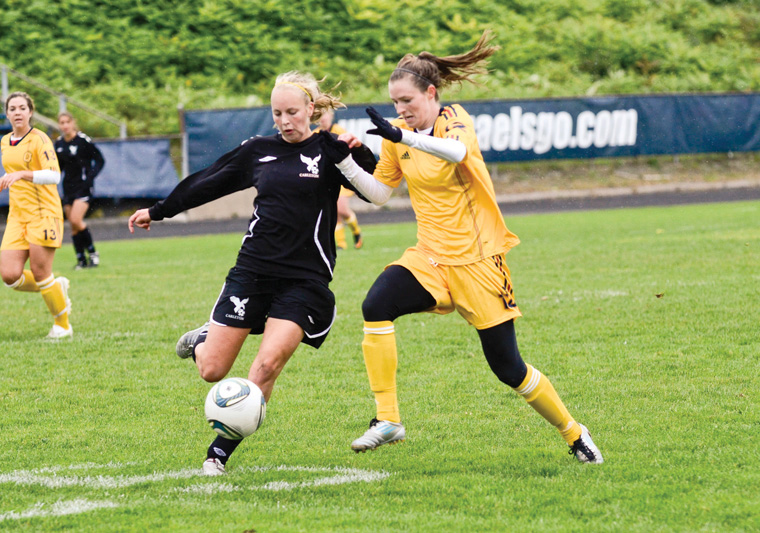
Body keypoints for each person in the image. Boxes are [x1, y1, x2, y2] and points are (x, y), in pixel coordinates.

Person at [326, 31, 603, 463]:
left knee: (508, 368)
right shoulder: (400, 133)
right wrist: (342, 161)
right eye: (395, 104)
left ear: (431, 93)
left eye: (407, 102)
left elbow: (455, 152)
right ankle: (388, 418)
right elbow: (379, 194)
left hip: (479, 263)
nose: (400, 111)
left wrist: (402, 138)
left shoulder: (454, 120)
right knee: (376, 304)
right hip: (431, 258)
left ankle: (574, 432)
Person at [128, 71, 378, 476]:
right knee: (212, 370)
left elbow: (374, 188)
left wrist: (359, 152)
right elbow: (209, 181)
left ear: (311, 110)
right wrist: (159, 211)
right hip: (253, 272)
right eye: (277, 113)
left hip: (304, 281)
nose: (285, 120)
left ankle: (218, 454)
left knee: (266, 366)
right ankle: (203, 341)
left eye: (293, 112)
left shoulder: (329, 150)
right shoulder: (258, 150)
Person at [0, 92, 72, 339]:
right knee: (9, 275)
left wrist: (22, 174)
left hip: (43, 213)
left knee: (41, 272)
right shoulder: (5, 141)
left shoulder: (40, 139)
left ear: (30, 112)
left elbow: (54, 176)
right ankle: (56, 287)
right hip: (17, 217)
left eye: (22, 107)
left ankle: (62, 325)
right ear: (7, 113)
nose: (17, 112)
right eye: (12, 108)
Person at [55, 111, 105, 269]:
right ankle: (81, 260)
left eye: (67, 122)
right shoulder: (59, 144)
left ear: (72, 123)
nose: (64, 126)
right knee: (73, 225)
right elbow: (58, 167)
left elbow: (99, 159)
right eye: (61, 123)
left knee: (76, 220)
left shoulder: (83, 140)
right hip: (68, 188)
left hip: (83, 187)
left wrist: (90, 177)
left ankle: (92, 253)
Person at [317, 110, 363, 250]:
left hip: (342, 176)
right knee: (334, 211)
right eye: (319, 116)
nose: (322, 119)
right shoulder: (316, 135)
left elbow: (349, 151)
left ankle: (356, 231)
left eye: (324, 115)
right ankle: (341, 243)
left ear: (330, 116)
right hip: (328, 178)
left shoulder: (339, 131)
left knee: (342, 208)